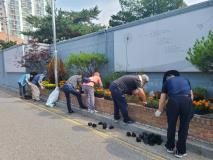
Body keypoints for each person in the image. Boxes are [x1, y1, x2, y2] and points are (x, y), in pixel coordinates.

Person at [155, 70, 194, 158]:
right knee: (184, 127)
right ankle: (180, 151)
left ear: (168, 78)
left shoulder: (166, 82)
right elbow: (191, 95)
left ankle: (170, 147)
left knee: (171, 125)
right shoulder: (185, 79)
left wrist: (159, 110)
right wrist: (189, 106)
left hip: (173, 102)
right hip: (187, 100)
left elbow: (162, 99)